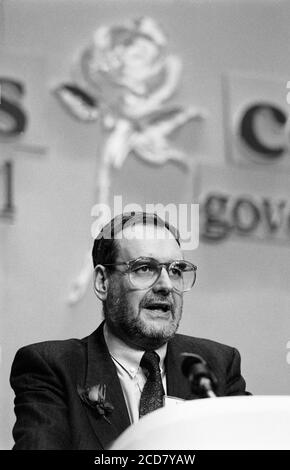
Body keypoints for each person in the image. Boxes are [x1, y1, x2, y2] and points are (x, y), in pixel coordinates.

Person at [10, 212, 250, 450]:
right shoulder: (53, 367)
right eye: (145, 268)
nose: (166, 285)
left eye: (176, 270)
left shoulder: (216, 366)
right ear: (103, 282)